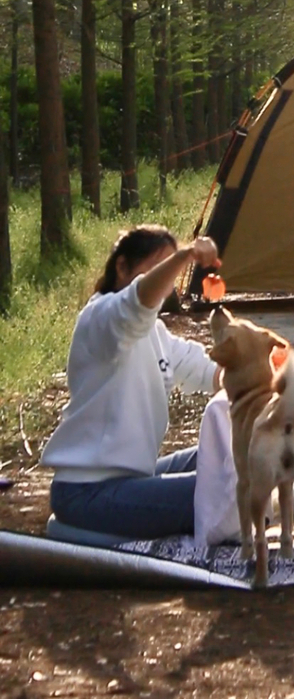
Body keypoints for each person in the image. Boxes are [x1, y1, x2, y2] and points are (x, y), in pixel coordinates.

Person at [41, 225, 221, 539]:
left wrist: (264, 371)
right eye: (154, 273)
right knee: (225, 489)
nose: (163, 287)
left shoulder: (156, 334)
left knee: (225, 453)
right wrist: (186, 255)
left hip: (135, 477)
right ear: (121, 267)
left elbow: (206, 371)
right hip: (87, 492)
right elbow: (137, 303)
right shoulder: (100, 319)